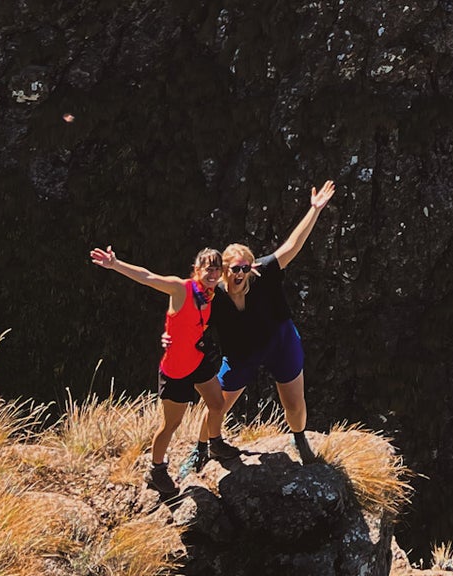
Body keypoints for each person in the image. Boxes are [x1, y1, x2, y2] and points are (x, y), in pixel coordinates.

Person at [89, 242, 230, 502]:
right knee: (171, 424)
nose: (213, 274)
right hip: (176, 368)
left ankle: (213, 443)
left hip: (197, 360)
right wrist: (115, 264)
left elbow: (238, 280)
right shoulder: (181, 289)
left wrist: (254, 267)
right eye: (208, 268)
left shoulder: (211, 294)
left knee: (217, 403)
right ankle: (156, 469)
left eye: (217, 270)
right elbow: (148, 277)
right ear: (196, 269)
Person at [214, 179, 336, 462]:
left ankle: (300, 439)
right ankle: (204, 445)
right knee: (216, 404)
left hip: (279, 341)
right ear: (224, 271)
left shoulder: (263, 272)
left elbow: (292, 246)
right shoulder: (214, 295)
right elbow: (178, 294)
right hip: (241, 352)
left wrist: (314, 210)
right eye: (235, 268)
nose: (242, 272)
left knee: (293, 403)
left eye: (246, 267)